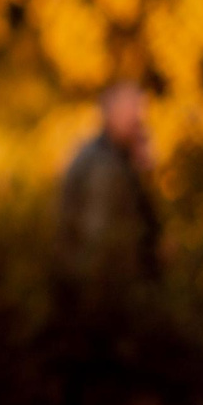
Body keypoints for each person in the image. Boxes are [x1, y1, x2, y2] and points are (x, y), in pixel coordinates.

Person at [59, 80, 160, 287]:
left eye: (140, 109)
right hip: (103, 287)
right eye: (131, 109)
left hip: (112, 284)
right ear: (111, 111)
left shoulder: (124, 157)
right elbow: (99, 237)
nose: (139, 118)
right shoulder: (102, 163)